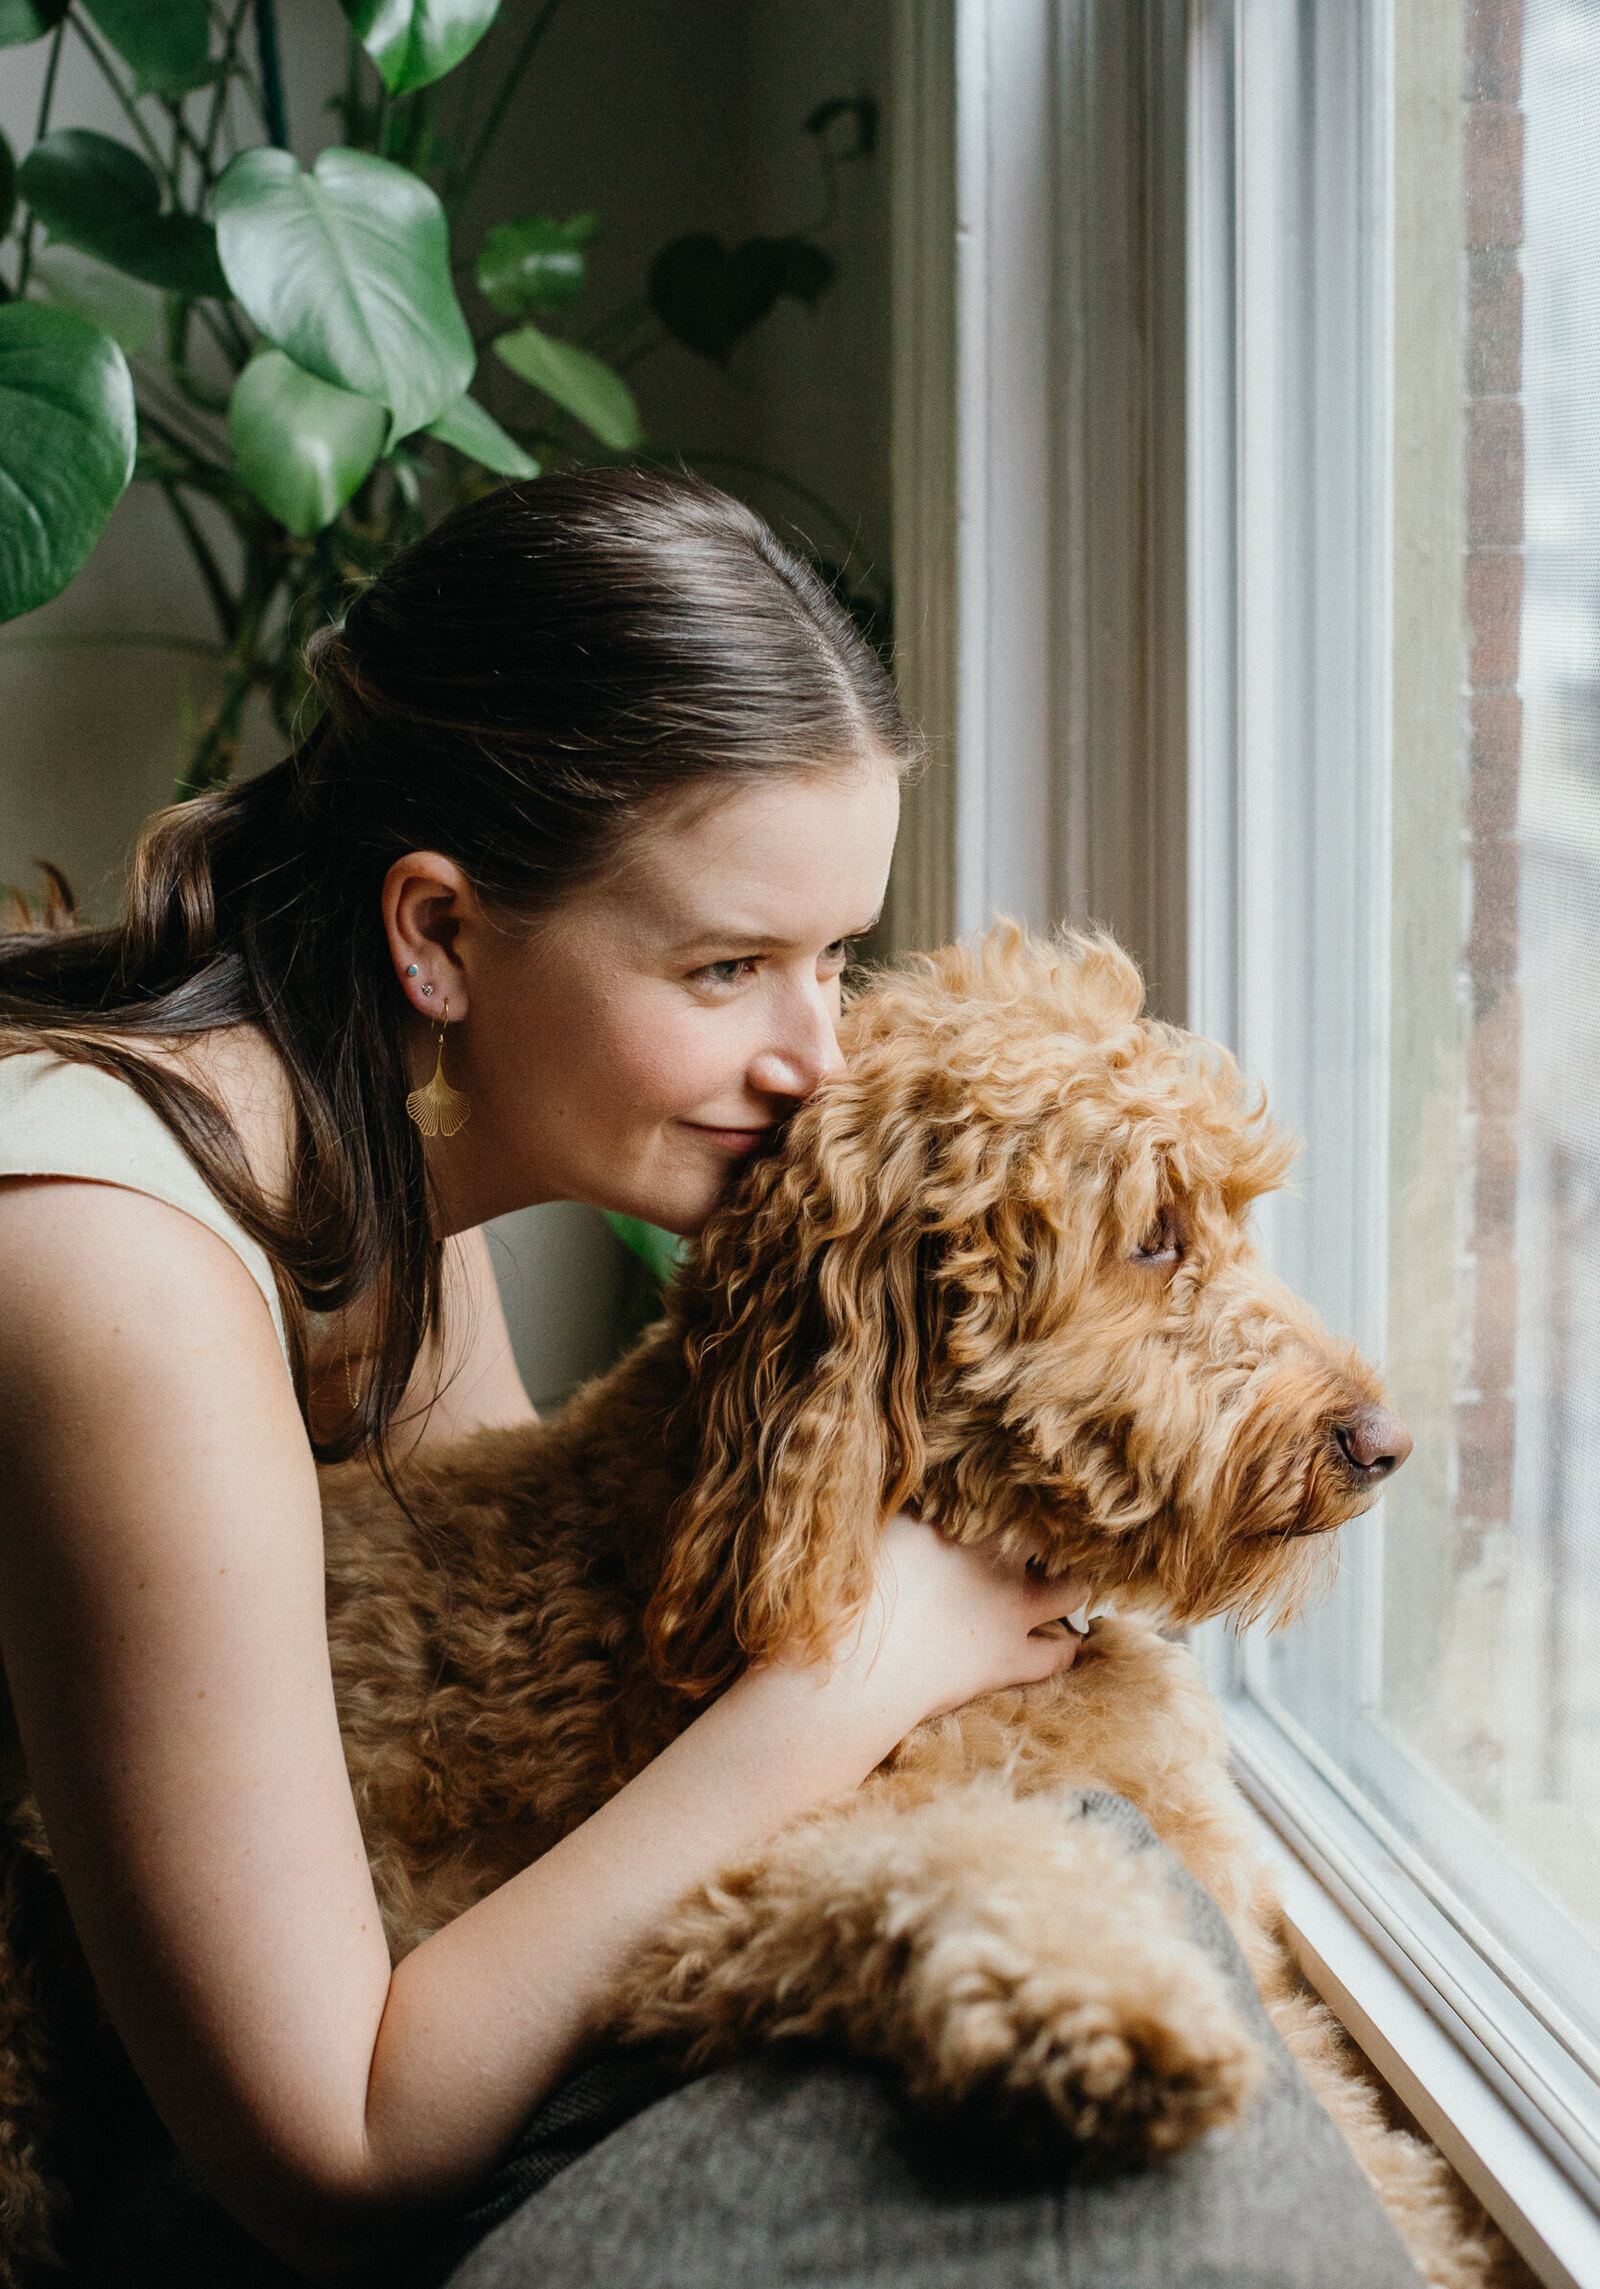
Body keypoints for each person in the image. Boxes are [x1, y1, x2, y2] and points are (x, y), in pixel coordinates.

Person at [0, 471, 1416, 2289]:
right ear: (437, 934)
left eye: (838, 960)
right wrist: (857, 1677)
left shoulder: (375, 1160)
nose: (813, 1058)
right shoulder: (117, 1272)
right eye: (728, 966)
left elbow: (495, 1718)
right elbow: (332, 2153)